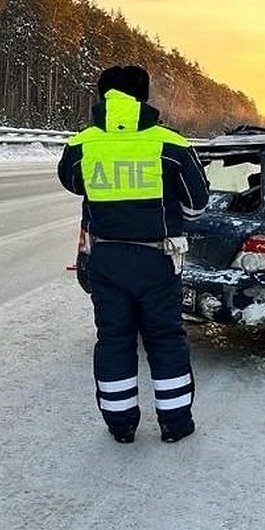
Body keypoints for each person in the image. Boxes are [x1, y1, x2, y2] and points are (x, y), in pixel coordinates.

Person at [58, 65, 209, 443]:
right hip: (158, 259)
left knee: (114, 339)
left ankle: (121, 425)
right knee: (165, 338)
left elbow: (71, 182)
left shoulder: (82, 144)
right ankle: (175, 424)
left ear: (102, 96)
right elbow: (198, 204)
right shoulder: (171, 145)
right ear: (143, 97)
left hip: (105, 259)